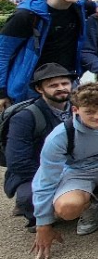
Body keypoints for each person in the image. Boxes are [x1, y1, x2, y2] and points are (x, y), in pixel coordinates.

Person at [30, 81, 98, 259]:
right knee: (66, 209)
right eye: (89, 111)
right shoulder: (61, 134)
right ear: (75, 110)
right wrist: (43, 224)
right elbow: (46, 178)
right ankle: (91, 206)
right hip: (78, 171)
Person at [0, 0, 98, 109]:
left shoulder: (81, 8)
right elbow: (3, 53)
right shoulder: (26, 16)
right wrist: (1, 92)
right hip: (32, 83)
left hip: (66, 80)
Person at [3, 63, 74, 231]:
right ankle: (36, 213)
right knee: (30, 197)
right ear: (39, 89)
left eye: (65, 83)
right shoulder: (24, 117)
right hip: (37, 172)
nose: (61, 88)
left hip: (75, 168)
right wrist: (56, 176)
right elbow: (17, 161)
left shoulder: (81, 109)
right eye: (53, 85)